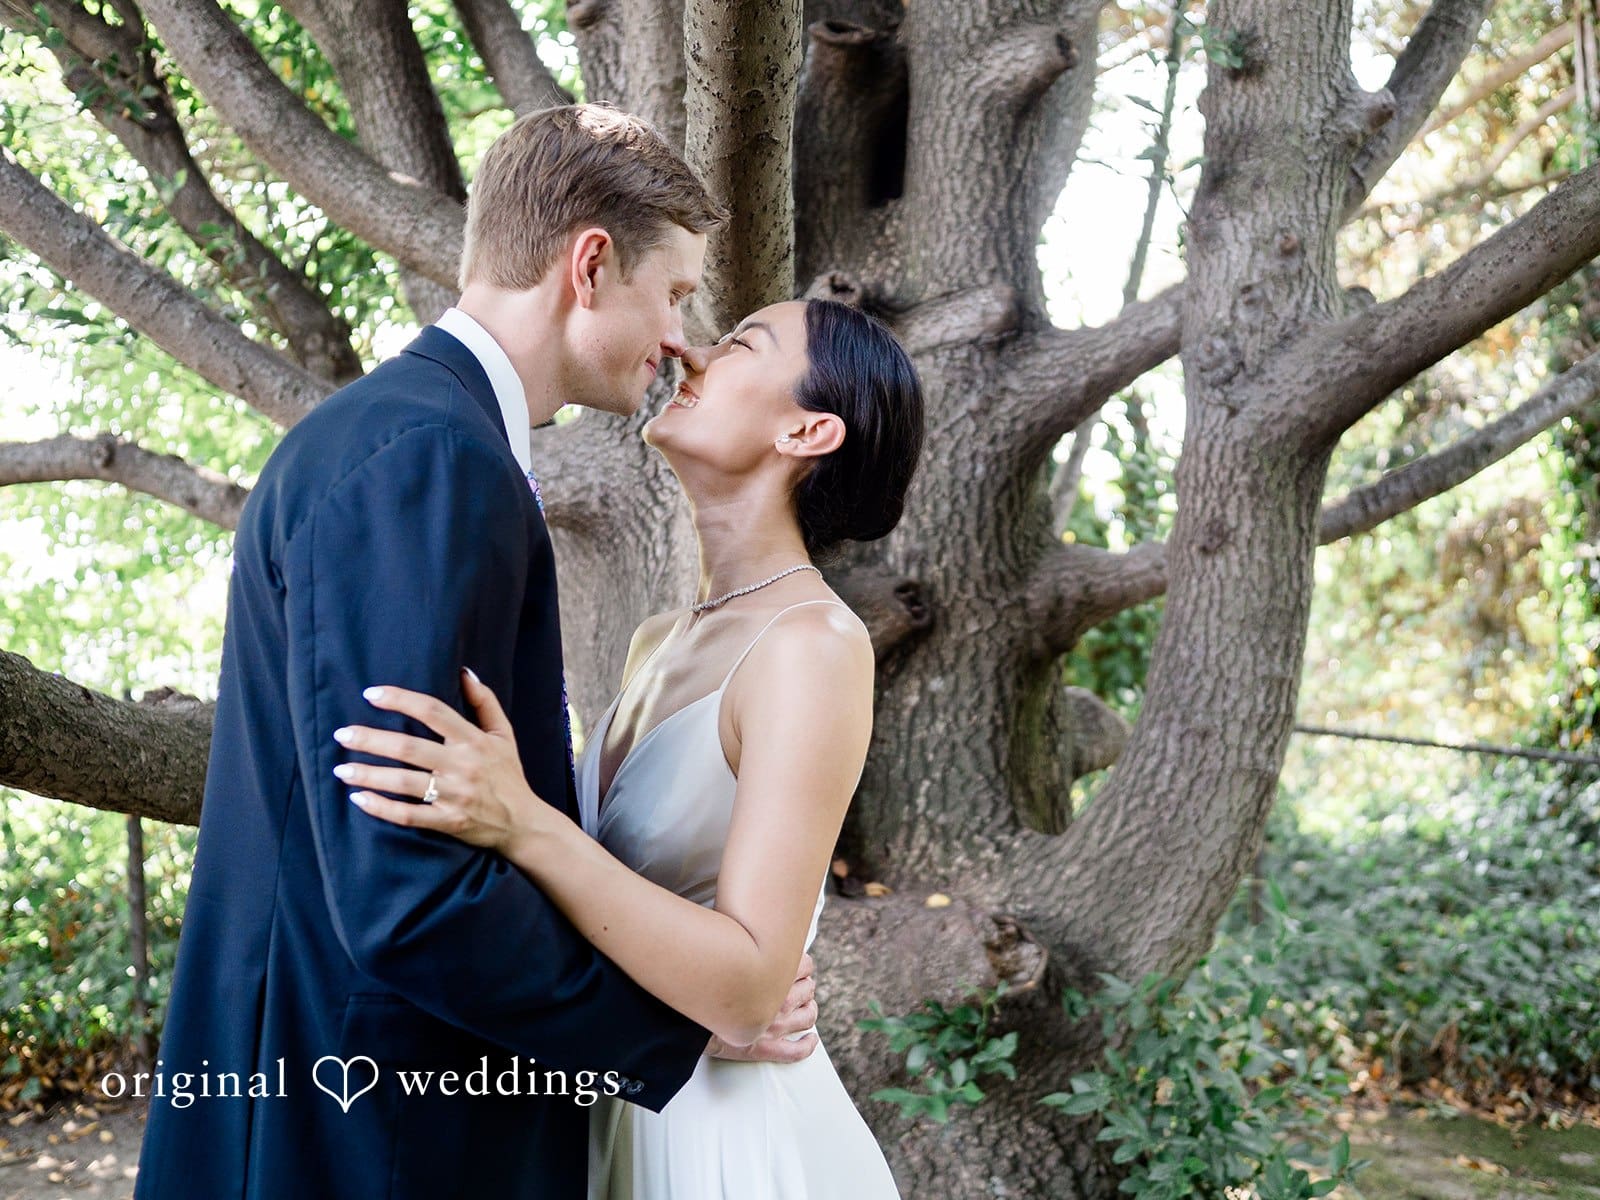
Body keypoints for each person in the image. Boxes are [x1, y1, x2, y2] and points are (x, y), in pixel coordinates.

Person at [134, 105, 820, 1200]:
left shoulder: (407, 437)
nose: (681, 340)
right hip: (375, 1134)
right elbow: (409, 894)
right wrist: (673, 1028)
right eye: (678, 293)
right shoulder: (431, 460)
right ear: (590, 264)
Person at [335, 296, 925, 1198]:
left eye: (740, 345)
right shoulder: (659, 638)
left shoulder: (815, 645)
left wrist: (525, 824)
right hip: (617, 1100)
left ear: (808, 430)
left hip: (728, 1144)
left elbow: (746, 992)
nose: (690, 352)